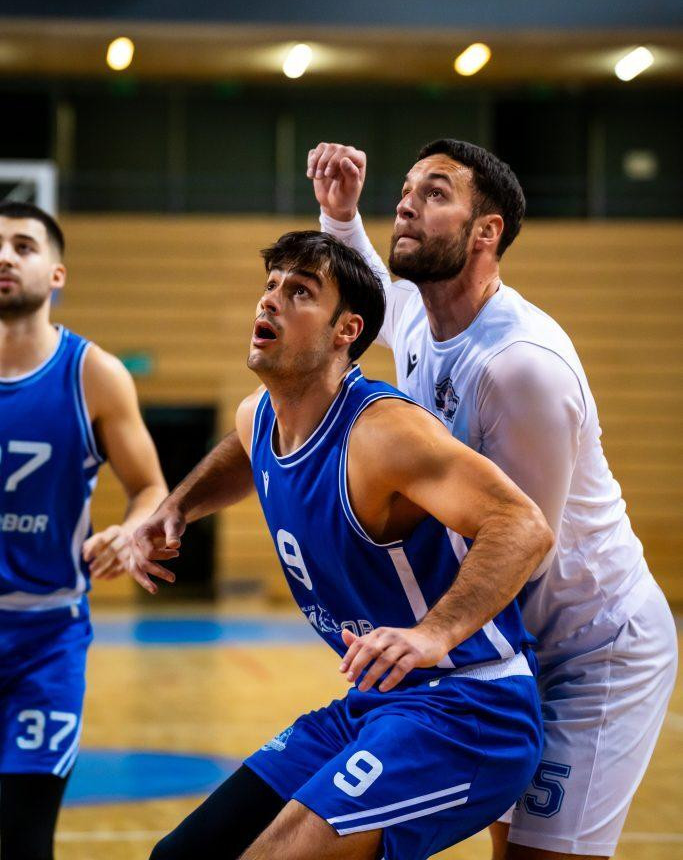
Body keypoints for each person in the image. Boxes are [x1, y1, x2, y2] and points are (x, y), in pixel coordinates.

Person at [304, 139, 678, 860]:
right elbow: (374, 286)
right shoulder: (422, 318)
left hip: (593, 649)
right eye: (405, 188)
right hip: (512, 645)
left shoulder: (520, 368)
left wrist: (431, 632)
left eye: (435, 192)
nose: (405, 204)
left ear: (486, 231)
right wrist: (339, 216)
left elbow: (525, 546)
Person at [134, 230, 553, 860]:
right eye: (271, 285)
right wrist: (179, 505)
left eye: (300, 292)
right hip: (376, 704)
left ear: (346, 330)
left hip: (470, 706)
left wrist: (434, 634)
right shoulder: (260, 415)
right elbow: (244, 449)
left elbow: (523, 525)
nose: (270, 300)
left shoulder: (382, 434)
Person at [0, 201, 168, 860]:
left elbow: (150, 488)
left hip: (45, 638)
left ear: (57, 273)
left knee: (24, 837)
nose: (5, 256)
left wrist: (130, 533)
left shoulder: (93, 374)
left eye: (23, 245)